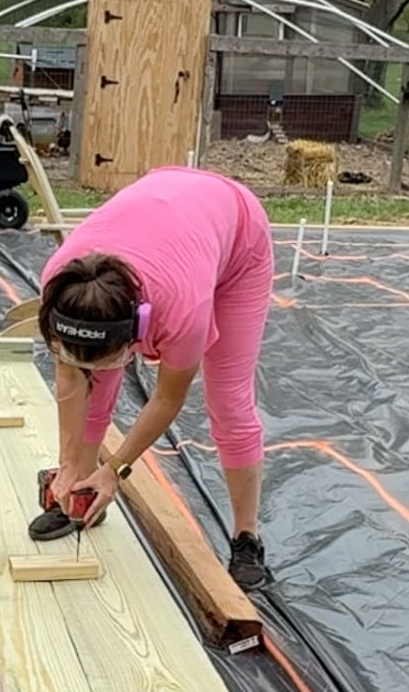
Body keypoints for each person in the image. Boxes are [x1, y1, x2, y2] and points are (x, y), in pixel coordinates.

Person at [30, 166, 274, 589]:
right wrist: (68, 464)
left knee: (229, 404)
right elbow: (73, 382)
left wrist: (117, 469)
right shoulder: (63, 289)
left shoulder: (181, 310)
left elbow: (167, 399)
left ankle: (246, 537)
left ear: (139, 332)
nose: (97, 370)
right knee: (94, 388)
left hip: (237, 238)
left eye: (112, 359)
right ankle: (81, 496)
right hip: (168, 211)